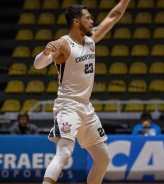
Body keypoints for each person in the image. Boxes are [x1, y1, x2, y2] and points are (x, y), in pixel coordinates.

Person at [33, 1, 130, 183]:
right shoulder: (63, 44)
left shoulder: (91, 40)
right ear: (76, 22)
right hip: (68, 105)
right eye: (88, 18)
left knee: (103, 159)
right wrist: (45, 52)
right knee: (64, 152)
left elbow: (114, 16)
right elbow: (38, 65)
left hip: (86, 107)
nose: (92, 21)